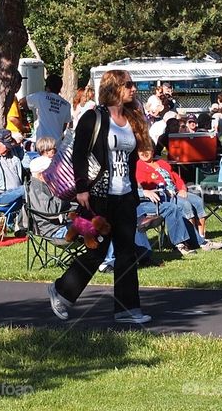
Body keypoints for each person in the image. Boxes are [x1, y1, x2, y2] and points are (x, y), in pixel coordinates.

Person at [47, 69, 154, 324]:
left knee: (128, 252)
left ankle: (127, 309)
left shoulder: (131, 118)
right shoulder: (93, 117)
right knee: (98, 250)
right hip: (98, 195)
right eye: (129, 84)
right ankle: (62, 290)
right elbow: (79, 154)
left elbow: (134, 157)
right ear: (114, 87)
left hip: (126, 195)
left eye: (133, 85)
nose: (133, 89)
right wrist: (82, 188)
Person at [26, 74, 72, 142]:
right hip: (56, 142)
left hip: (42, 141)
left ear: (47, 86)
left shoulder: (40, 96)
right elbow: (64, 126)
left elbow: (22, 101)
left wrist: (28, 115)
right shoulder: (66, 105)